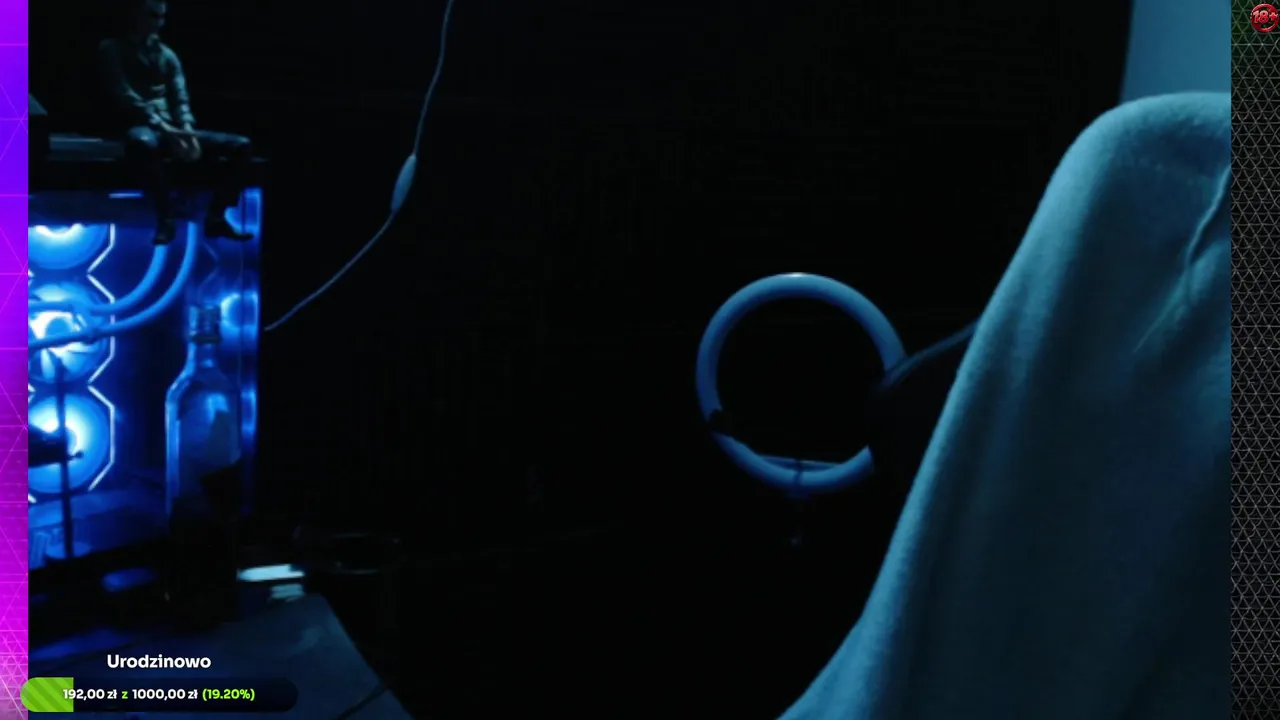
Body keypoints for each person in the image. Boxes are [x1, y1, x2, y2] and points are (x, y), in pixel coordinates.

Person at [98, 0, 253, 244]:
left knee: (241, 145)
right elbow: (124, 94)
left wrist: (187, 130)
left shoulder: (167, 55)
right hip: (140, 126)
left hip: (171, 129)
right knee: (142, 142)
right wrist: (167, 129)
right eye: (152, 15)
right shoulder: (112, 49)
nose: (158, 22)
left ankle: (216, 216)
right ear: (136, 14)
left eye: (161, 17)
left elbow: (180, 97)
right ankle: (166, 218)